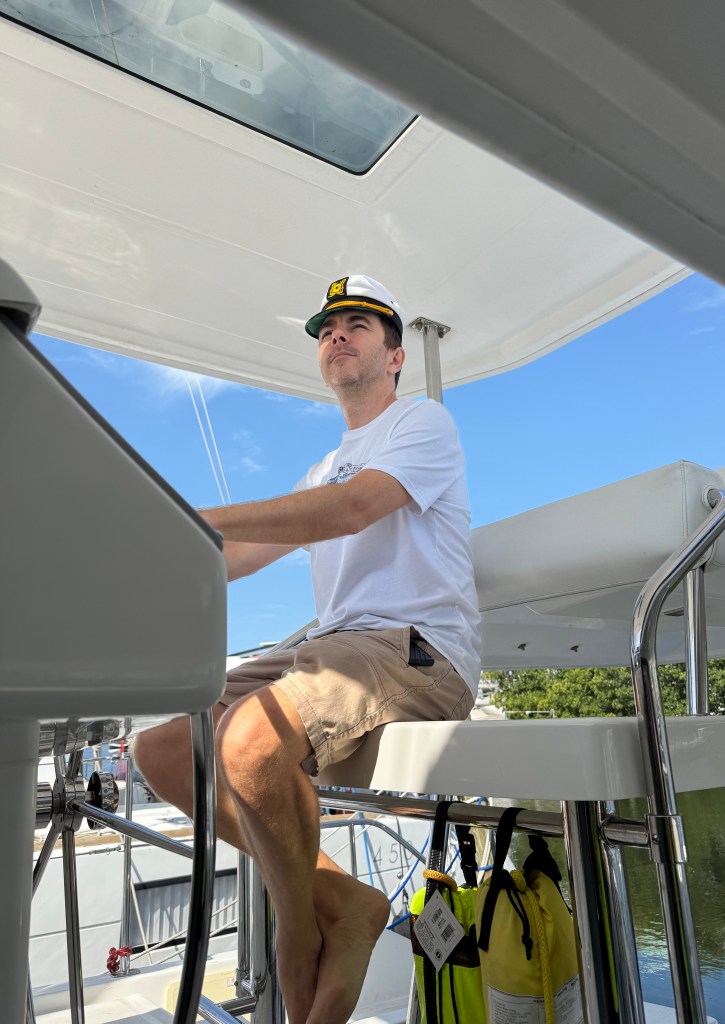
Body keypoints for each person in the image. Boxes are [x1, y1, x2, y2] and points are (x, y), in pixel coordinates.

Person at [134, 275, 481, 1024]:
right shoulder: (322, 468)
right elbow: (235, 555)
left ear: (395, 356)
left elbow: (352, 510)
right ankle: (339, 900)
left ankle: (294, 931)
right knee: (160, 752)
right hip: (333, 649)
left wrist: (202, 515)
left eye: (358, 324)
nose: (336, 335)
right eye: (327, 329)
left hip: (417, 650)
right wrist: (152, 541)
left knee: (247, 742)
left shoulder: (423, 423)